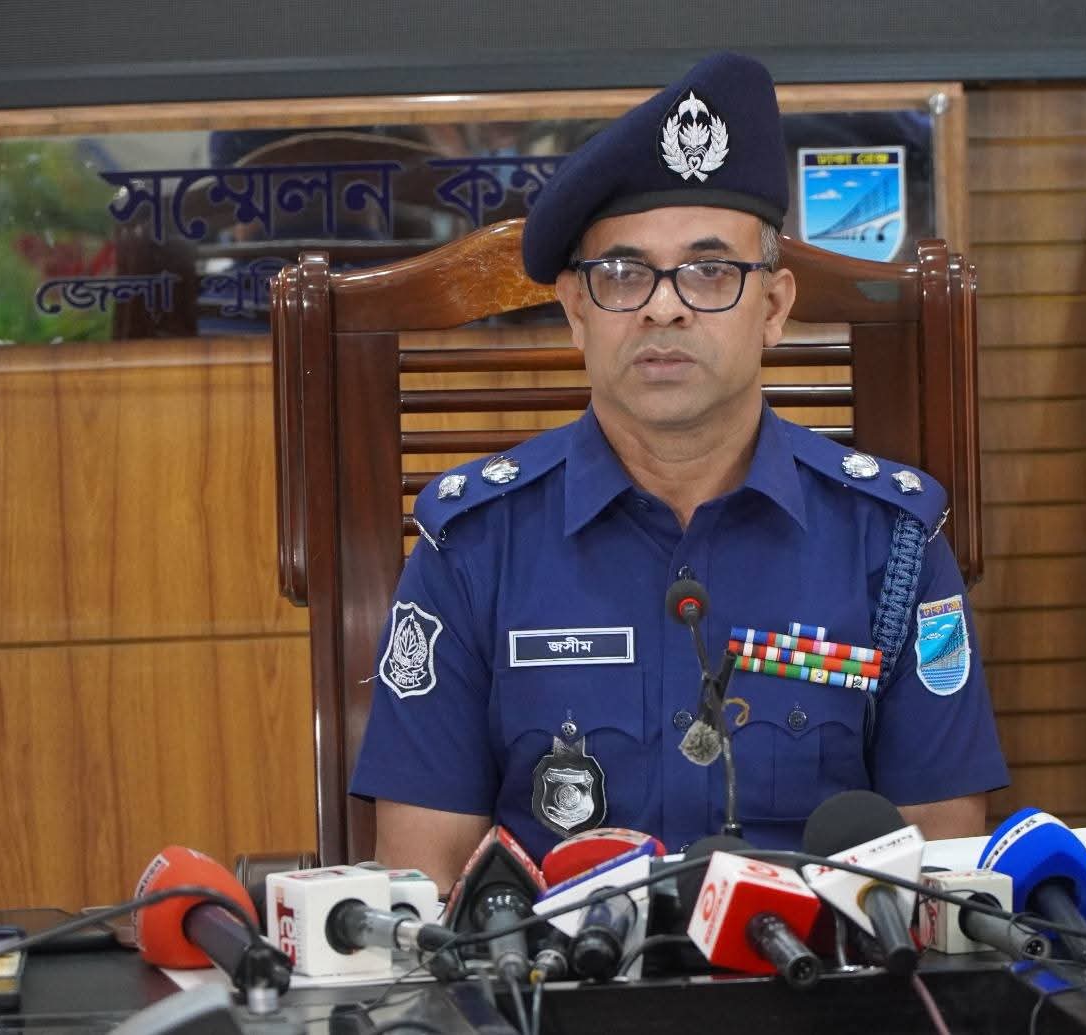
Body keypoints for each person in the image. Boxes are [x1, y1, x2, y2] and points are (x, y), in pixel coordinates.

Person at [349, 52, 1008, 888]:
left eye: (709, 271)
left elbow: (940, 881)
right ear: (577, 311)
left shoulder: (892, 542)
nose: (664, 306)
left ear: (773, 308)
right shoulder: (475, 546)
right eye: (623, 274)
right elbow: (424, 884)